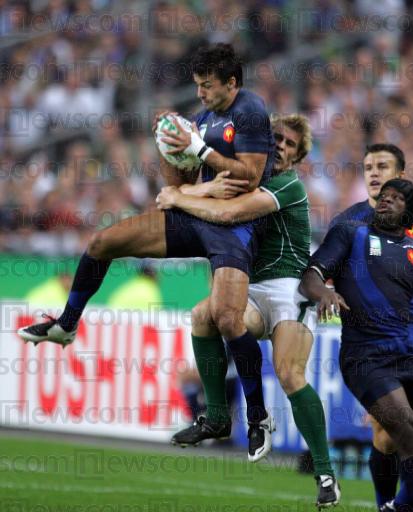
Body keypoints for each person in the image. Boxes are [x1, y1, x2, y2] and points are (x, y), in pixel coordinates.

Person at [17, 43, 276, 454]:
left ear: (231, 83)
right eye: (197, 86)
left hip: (236, 225)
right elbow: (176, 188)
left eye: (207, 86)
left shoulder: (250, 111)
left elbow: (250, 176)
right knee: (103, 242)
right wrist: (168, 146)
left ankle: (257, 416)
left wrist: (199, 150)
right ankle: (66, 324)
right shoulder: (204, 118)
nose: (200, 94)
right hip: (198, 215)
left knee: (227, 319)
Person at [156, 114, 340, 507]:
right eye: (276, 139)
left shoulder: (287, 184)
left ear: (297, 157)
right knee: (204, 314)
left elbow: (227, 213)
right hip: (251, 288)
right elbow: (200, 202)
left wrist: (180, 195)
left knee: (289, 375)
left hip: (289, 289)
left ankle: (325, 473)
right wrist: (186, 179)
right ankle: (216, 417)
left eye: (290, 144)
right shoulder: (243, 177)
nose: (281, 147)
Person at [300, 179, 413, 511]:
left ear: (409, 215)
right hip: (364, 357)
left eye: (396, 199)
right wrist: (324, 292)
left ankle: (409, 506)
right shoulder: (350, 233)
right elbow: (310, 275)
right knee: (408, 434)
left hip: (406, 354)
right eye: (384, 196)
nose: (385, 201)